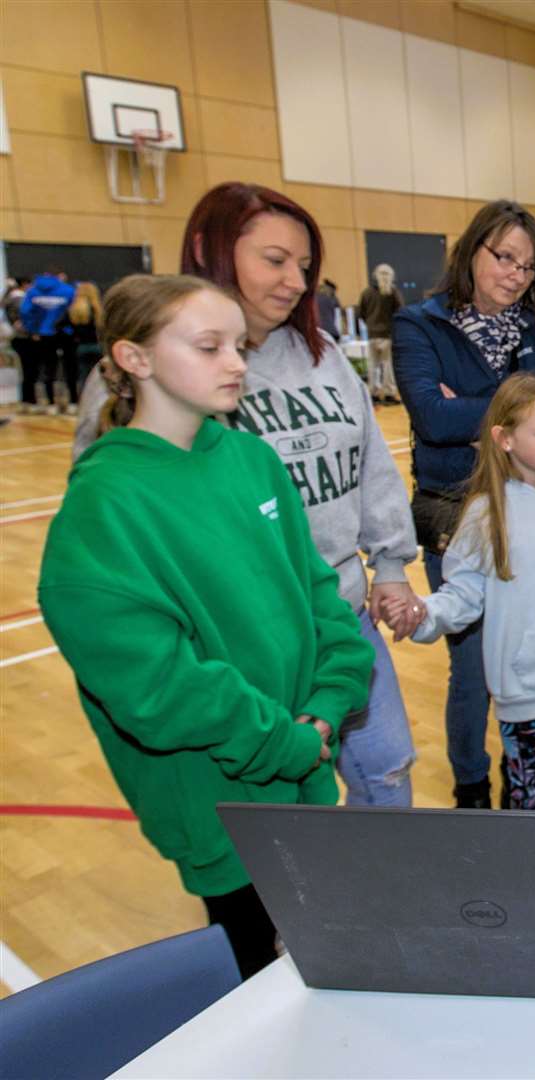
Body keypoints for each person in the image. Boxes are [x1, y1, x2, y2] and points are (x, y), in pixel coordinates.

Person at [39, 274, 374, 977]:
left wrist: (325, 705)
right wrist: (285, 740)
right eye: (209, 346)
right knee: (264, 983)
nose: (236, 364)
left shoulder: (251, 458)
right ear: (135, 358)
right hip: (224, 808)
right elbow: (157, 688)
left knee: (340, 957)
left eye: (239, 346)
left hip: (305, 772)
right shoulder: (104, 508)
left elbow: (322, 598)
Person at [394, 199, 535, 808]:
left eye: (528, 267)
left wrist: (479, 409)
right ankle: (470, 786)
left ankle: (522, 783)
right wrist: (523, 411)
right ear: (471, 250)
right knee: (473, 669)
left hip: (533, 514)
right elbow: (433, 417)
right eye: (504, 256)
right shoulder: (419, 325)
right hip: (456, 511)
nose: (515, 274)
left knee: (533, 658)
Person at [385, 374, 535, 811]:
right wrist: (424, 614)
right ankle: (530, 872)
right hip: (526, 686)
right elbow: (461, 593)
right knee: (530, 800)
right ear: (505, 439)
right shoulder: (486, 512)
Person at [16, 268, 77, 414]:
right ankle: (73, 402)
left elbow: (25, 312)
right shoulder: (68, 290)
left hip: (43, 335)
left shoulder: (33, 291)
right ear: (60, 276)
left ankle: (50, 404)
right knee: (70, 368)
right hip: (65, 334)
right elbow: (76, 311)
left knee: (48, 369)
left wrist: (33, 329)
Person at [358, 264, 403, 404]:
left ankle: (374, 394)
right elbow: (400, 312)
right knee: (388, 366)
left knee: (373, 365)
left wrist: (370, 324)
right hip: (388, 335)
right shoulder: (393, 292)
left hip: (372, 334)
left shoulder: (366, 293)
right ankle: (389, 393)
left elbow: (361, 313)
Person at [66, 281, 104, 403]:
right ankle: (99, 400)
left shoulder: (74, 310)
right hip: (97, 346)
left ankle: (84, 400)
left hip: (81, 346)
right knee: (99, 377)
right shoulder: (99, 311)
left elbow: (59, 325)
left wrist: (73, 335)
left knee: (83, 376)